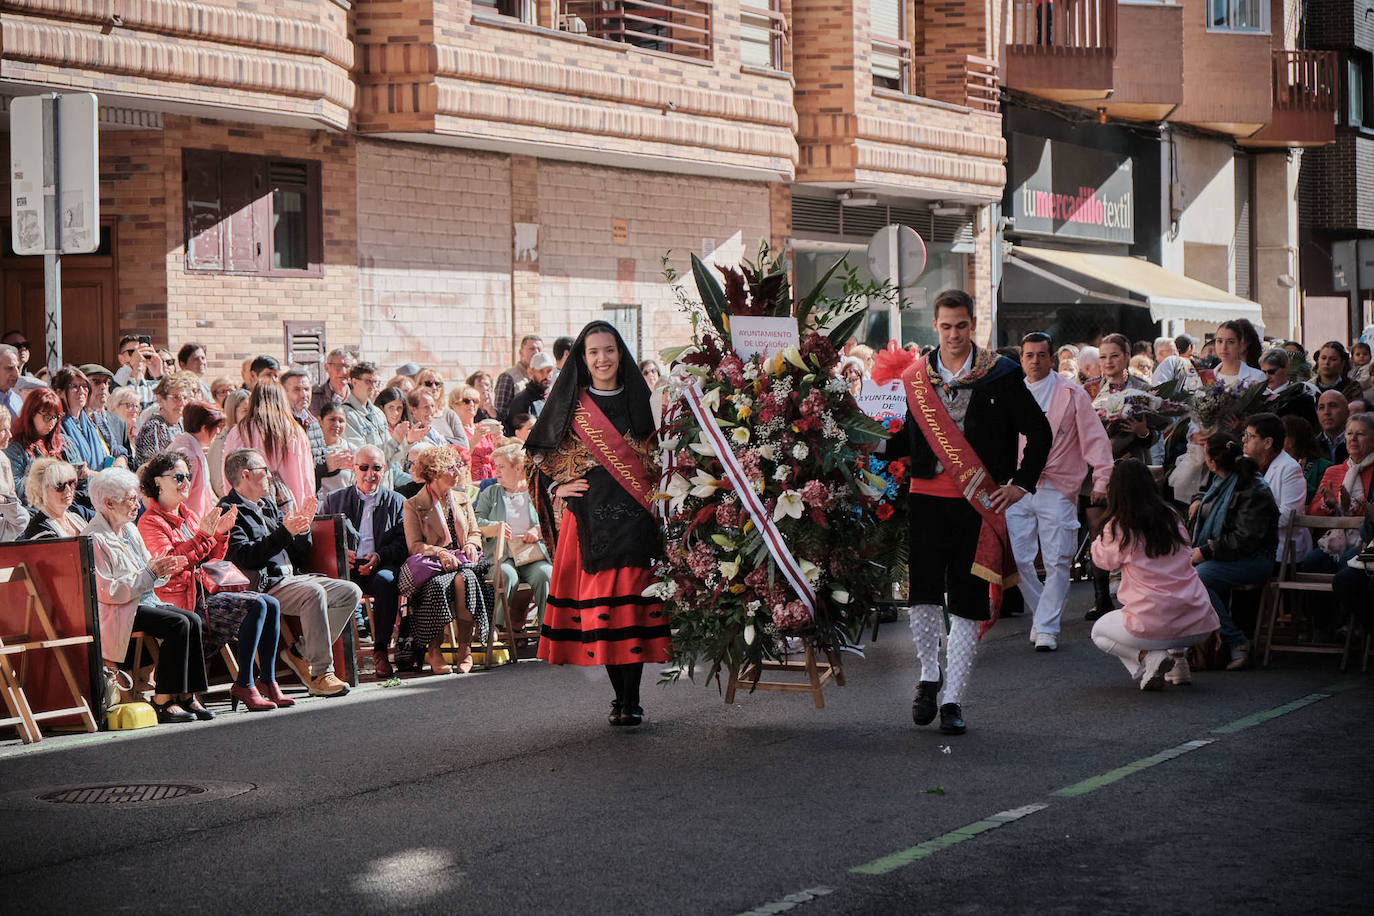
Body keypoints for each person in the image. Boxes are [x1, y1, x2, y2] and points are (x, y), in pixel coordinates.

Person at [881, 292, 1051, 735]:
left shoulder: (1002, 374)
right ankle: (927, 676)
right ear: (934, 327)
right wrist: (869, 441)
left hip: (978, 501)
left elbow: (1039, 431)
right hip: (925, 496)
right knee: (921, 593)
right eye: (945, 326)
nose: (953, 335)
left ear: (972, 324)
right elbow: (905, 440)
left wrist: (1020, 484)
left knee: (966, 599)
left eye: (961, 326)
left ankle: (954, 697)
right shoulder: (917, 376)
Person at [526, 320, 666, 728]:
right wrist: (557, 484)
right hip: (588, 520)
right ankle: (618, 697)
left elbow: (662, 457)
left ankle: (632, 700)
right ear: (583, 360)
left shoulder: (645, 401)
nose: (602, 358)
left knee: (632, 609)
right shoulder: (571, 404)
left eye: (609, 350)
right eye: (593, 352)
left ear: (620, 354)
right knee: (603, 609)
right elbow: (536, 456)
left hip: (637, 518)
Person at [136, 452, 291, 712]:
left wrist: (219, 536)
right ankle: (245, 682)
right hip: (178, 598)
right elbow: (173, 563)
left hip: (202, 593)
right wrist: (205, 536)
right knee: (256, 606)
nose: (186, 482)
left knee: (270, 603)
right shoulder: (150, 522)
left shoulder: (189, 515)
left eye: (188, 476)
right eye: (178, 477)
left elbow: (212, 560)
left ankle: (268, 680)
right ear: (158, 482)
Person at [219, 448, 357, 697]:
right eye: (265, 471)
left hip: (290, 578)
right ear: (246, 475)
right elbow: (245, 557)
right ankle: (321, 674)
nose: (270, 477)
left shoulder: (268, 505)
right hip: (263, 584)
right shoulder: (229, 510)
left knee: (349, 591)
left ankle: (300, 652)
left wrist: (301, 530)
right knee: (312, 592)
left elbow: (297, 552)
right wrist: (284, 532)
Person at [1006, 333, 1112, 652]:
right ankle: (1043, 614)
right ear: (1021, 358)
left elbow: (1095, 439)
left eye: (1041, 355)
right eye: (1029, 355)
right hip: (1017, 486)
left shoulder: (1072, 393)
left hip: (1058, 484)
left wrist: (1103, 480)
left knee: (1058, 558)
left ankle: (1047, 626)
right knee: (1019, 558)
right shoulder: (1010, 393)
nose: (1035, 360)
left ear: (1052, 358)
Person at [85, 466, 208, 723]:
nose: (136, 504)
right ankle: (163, 699)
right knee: (177, 624)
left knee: (193, 620)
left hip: (144, 600)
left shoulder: (129, 529)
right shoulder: (94, 538)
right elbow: (109, 591)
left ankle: (186, 695)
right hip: (120, 610)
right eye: (130, 499)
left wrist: (162, 569)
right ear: (108, 503)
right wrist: (150, 575)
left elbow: (148, 570)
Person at [1090, 459, 1220, 688]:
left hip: (1152, 624)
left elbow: (1103, 561)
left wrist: (1097, 539)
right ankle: (1179, 664)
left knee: (1099, 631)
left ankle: (1150, 657)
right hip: (1197, 621)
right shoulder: (1171, 517)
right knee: (1170, 599)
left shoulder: (1119, 525)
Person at [1189, 431, 1279, 670]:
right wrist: (1198, 500)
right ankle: (1183, 646)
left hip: (1255, 558)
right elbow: (1207, 494)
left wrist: (1206, 551)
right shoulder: (1222, 480)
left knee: (1199, 578)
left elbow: (1245, 538)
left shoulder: (1252, 488)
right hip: (1227, 555)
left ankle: (1237, 641)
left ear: (1213, 462)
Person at [401, 445, 491, 675]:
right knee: (436, 587)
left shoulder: (461, 498)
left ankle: (464, 649)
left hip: (464, 562)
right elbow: (414, 546)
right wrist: (440, 552)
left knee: (466, 580)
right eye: (452, 467)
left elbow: (475, 532)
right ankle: (434, 651)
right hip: (436, 566)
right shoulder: (414, 505)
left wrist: (471, 544)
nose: (458, 471)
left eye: (458, 465)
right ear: (434, 473)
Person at [320, 445, 407, 677]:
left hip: (379, 564)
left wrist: (380, 556)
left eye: (376, 468)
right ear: (354, 469)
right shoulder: (334, 500)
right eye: (364, 467)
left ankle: (380, 651)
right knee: (328, 586)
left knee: (387, 580)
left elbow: (403, 543)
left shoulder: (397, 501)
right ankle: (332, 657)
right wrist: (339, 553)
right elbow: (320, 536)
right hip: (347, 567)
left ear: (384, 468)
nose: (370, 474)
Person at [476, 442, 552, 633]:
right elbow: (476, 521)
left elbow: (553, 520)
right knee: (506, 575)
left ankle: (548, 629)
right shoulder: (490, 492)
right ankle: (497, 628)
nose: (497, 471)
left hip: (530, 553)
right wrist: (495, 527)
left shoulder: (535, 492)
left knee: (545, 574)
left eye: (501, 466)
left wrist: (537, 530)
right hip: (501, 554)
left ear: (518, 468)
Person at [223, 382, 316, 509]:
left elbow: (229, 472)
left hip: (249, 506)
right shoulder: (295, 431)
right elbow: (306, 476)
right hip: (291, 506)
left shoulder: (239, 431)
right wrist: (306, 507)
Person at [1242, 412, 1310, 563]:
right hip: (1247, 545)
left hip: (1281, 550)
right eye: (1244, 434)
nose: (1243, 440)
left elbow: (1288, 515)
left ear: (1267, 443)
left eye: (1250, 436)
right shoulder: (1243, 463)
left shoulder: (1290, 468)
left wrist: (1249, 522)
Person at [283, 368, 348, 500]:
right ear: (283, 392)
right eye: (297, 389)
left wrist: (335, 464)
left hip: (313, 497)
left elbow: (320, 462)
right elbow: (289, 471)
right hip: (289, 500)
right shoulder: (280, 424)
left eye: (307, 389)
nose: (303, 394)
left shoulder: (312, 422)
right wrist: (326, 466)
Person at [6, 388, 70, 504]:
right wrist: (47, 479)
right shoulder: (15, 448)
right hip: (37, 510)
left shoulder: (63, 442)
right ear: (31, 414)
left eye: (56, 417)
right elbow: (16, 489)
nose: (51, 422)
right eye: (47, 416)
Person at [166, 401, 225, 520]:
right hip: (187, 526)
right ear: (204, 428)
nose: (218, 432)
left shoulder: (189, 448)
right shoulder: (188, 455)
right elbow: (178, 498)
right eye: (216, 427)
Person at [134, 372, 199, 467]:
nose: (182, 403)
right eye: (176, 397)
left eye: (184, 398)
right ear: (160, 399)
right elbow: (153, 466)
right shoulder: (154, 427)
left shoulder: (179, 424)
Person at [20, 458, 85, 539]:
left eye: (71, 483)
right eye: (59, 485)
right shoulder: (39, 530)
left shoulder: (76, 517)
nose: (68, 490)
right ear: (40, 491)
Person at [80, 363, 130, 462]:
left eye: (106, 382)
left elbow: (130, 459)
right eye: (96, 381)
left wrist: (121, 462)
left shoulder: (118, 422)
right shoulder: (75, 420)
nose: (103, 386)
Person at [1259, 348, 1319, 428]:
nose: (1267, 377)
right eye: (1263, 372)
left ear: (1286, 369)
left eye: (1271, 372)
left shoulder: (1302, 399)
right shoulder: (1258, 398)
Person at [451, 384, 500, 481]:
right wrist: (474, 441)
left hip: (492, 478)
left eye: (475, 401)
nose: (472, 404)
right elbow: (456, 461)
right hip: (471, 480)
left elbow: (495, 458)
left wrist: (498, 441)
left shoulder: (482, 427)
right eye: (466, 401)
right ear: (453, 406)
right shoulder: (453, 431)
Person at [208, 388, 251, 499]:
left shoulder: (247, 437)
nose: (251, 417)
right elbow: (219, 483)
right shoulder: (221, 441)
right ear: (232, 412)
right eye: (245, 411)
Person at [414, 368, 470, 449]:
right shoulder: (416, 414)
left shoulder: (450, 415)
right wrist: (452, 442)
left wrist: (440, 439)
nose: (434, 387)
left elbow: (464, 444)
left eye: (437, 384)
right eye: (428, 384)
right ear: (419, 386)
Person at [1283, 414, 1333, 501]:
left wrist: (1296, 477)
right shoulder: (1275, 465)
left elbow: (1320, 499)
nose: (1277, 439)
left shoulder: (1324, 466)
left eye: (1283, 435)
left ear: (1296, 438)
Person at [343, 360, 388, 453]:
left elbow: (390, 448)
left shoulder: (378, 413)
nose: (372, 386)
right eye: (368, 381)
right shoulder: (346, 415)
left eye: (375, 381)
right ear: (354, 382)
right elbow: (359, 453)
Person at [505, 352, 555, 435]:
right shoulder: (521, 401)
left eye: (549, 371)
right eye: (541, 371)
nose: (546, 375)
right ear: (531, 372)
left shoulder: (553, 398)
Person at [495, 334, 544, 418]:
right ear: (521, 352)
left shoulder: (543, 378)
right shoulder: (508, 377)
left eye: (539, 349)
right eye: (532, 349)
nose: (536, 352)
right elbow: (500, 412)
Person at [0, 406, 29, 540]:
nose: (10, 435)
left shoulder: (3, 460)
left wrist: (5, 501)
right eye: (3, 430)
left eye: (9, 429)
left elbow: (14, 505)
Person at [113, 334, 164, 407]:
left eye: (142, 351)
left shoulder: (153, 386)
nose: (139, 355)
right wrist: (133, 367)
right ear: (121, 359)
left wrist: (159, 374)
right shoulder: (115, 382)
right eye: (132, 352)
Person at [1212, 321, 1267, 389]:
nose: (1224, 347)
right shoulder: (1205, 378)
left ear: (1240, 345)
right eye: (1220, 341)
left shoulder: (1256, 377)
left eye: (1230, 342)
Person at [316, 403, 355, 497]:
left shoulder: (351, 450)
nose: (337, 424)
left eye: (341, 421)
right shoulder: (311, 448)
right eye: (332, 419)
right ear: (320, 421)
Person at [310, 349, 353, 417]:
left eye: (347, 366)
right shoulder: (313, 397)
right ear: (327, 367)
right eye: (338, 366)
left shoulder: (358, 396)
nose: (343, 372)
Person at [1315, 390, 1350, 463]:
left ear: (1347, 412)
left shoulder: (1360, 443)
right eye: (1321, 407)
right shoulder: (1311, 447)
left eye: (1332, 406)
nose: (1326, 412)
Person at [107, 387, 143, 459]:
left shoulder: (140, 435)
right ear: (114, 408)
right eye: (130, 405)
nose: (135, 410)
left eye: (137, 406)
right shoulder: (108, 433)